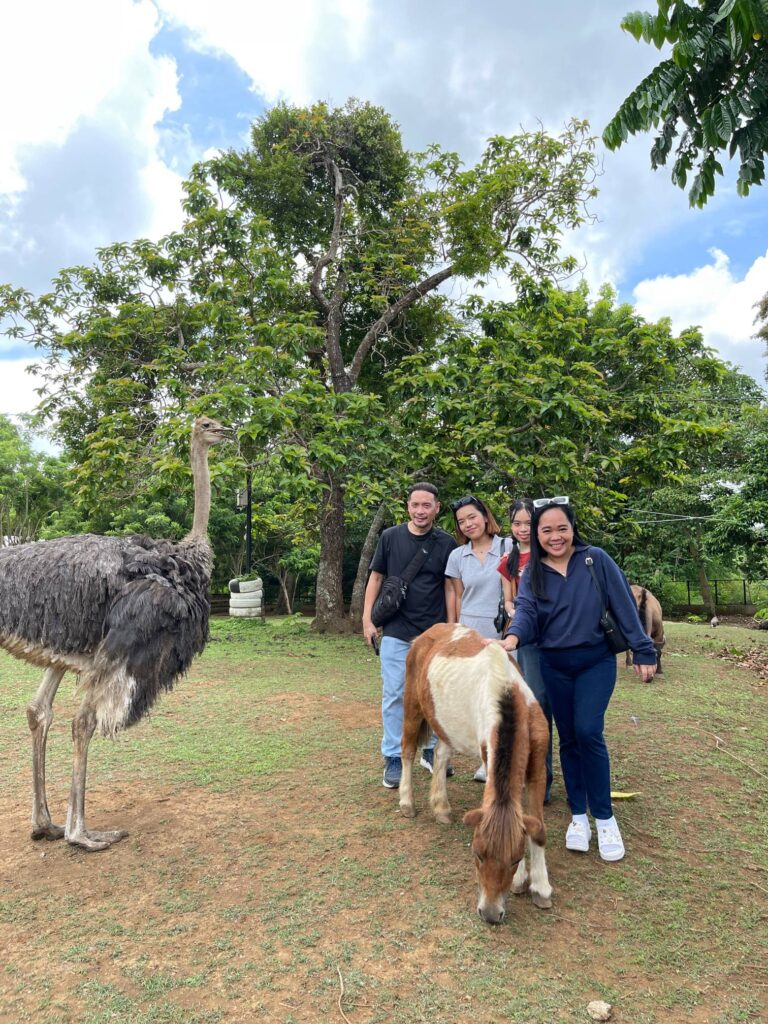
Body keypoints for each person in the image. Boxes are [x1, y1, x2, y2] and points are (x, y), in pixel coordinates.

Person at [490, 497, 656, 862]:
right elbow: (527, 611)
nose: (555, 536)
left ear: (572, 529)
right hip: (554, 665)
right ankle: (578, 816)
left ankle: (605, 818)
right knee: (567, 738)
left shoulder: (595, 560)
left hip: (595, 662)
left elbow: (625, 609)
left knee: (588, 732)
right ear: (536, 534)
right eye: (546, 530)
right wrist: (513, 638)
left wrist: (644, 649)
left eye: (561, 528)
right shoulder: (533, 572)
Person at [363, 482, 456, 789]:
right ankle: (392, 755)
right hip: (397, 631)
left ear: (437, 508)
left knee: (434, 694)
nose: (420, 511)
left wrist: (451, 628)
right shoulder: (390, 538)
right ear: (408, 507)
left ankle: (430, 751)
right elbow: (376, 577)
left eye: (426, 505)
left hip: (433, 635)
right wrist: (367, 619)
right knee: (395, 694)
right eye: (415, 505)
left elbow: (449, 587)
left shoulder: (446, 543)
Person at [444, 494, 511, 783]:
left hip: (504, 634)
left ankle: (505, 758)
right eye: (461, 521)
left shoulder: (509, 547)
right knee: (479, 701)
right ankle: (486, 759)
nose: (468, 524)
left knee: (504, 698)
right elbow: (456, 596)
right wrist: (454, 632)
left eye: (472, 516)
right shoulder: (457, 556)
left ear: (485, 516)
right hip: (471, 634)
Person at [496, 499, 554, 802]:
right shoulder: (508, 561)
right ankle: (537, 778)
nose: (522, 529)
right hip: (525, 638)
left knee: (549, 704)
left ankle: (545, 776)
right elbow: (508, 600)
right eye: (516, 523)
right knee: (534, 703)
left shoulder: (551, 552)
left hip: (556, 636)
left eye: (527, 523)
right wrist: (516, 611)